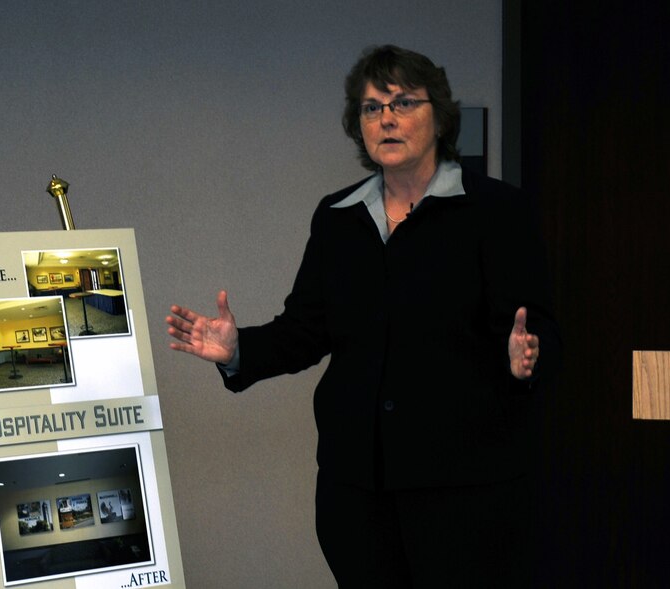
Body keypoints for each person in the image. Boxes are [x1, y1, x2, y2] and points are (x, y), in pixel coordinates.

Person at [167, 44, 561, 588]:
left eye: (402, 102)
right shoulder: (337, 217)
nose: (387, 119)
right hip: (357, 491)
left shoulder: (496, 211)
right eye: (372, 108)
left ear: (440, 115)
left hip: (463, 491)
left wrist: (524, 359)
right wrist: (238, 351)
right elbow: (306, 330)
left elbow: (535, 328)